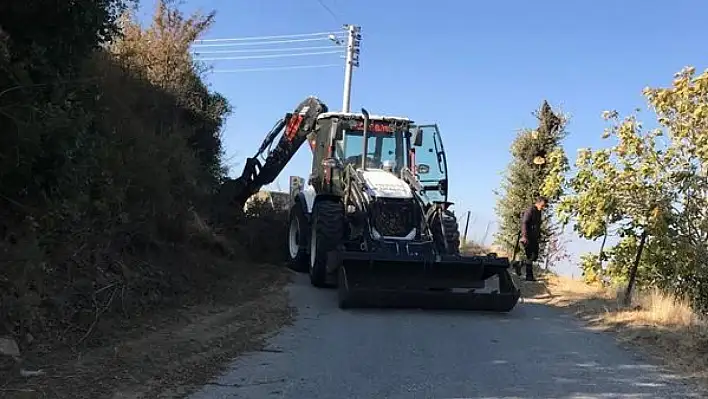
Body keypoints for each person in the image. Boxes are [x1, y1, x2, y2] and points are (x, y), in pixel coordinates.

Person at [519, 196, 547, 281]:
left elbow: (537, 225)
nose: (543, 207)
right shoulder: (530, 210)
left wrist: (539, 236)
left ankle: (519, 264)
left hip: (534, 238)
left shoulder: (539, 212)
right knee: (530, 256)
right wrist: (524, 236)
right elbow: (524, 223)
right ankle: (529, 276)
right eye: (543, 205)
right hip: (527, 237)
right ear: (539, 203)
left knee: (534, 256)